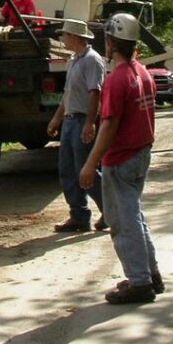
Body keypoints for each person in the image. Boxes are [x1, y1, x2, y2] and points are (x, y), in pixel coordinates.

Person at [79, 12, 163, 305]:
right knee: (135, 216)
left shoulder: (117, 80)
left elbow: (109, 125)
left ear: (112, 43)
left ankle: (139, 283)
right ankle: (150, 273)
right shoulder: (143, 73)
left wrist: (91, 163)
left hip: (122, 160)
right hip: (141, 153)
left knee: (122, 222)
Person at [47, 18, 107, 233]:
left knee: (86, 171)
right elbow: (68, 94)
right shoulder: (74, 60)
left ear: (74, 37)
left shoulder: (92, 60)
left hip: (82, 120)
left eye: (64, 35)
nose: (62, 38)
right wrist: (57, 118)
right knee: (68, 170)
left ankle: (108, 210)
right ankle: (79, 216)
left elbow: (95, 93)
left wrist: (90, 123)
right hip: (70, 121)